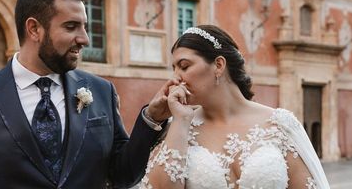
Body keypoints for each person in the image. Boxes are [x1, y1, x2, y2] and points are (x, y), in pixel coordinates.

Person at [0, 0, 172, 188]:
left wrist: (150, 119)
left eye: (85, 27)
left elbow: (123, 175)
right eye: (71, 27)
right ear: (34, 29)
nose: (84, 39)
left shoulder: (101, 91)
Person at [140, 24, 330, 189]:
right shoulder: (178, 128)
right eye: (174, 69)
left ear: (219, 65)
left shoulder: (279, 124)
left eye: (184, 66)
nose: (176, 78)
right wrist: (181, 120)